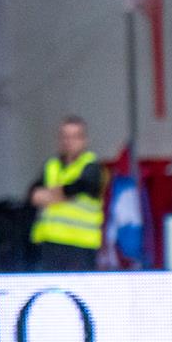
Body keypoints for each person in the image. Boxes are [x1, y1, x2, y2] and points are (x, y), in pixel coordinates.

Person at [28, 116, 105, 272]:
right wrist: (62, 195)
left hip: (81, 245)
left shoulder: (91, 166)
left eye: (74, 137)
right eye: (65, 137)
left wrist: (52, 194)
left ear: (84, 140)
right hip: (51, 242)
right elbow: (33, 195)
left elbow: (80, 186)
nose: (69, 142)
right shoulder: (51, 165)